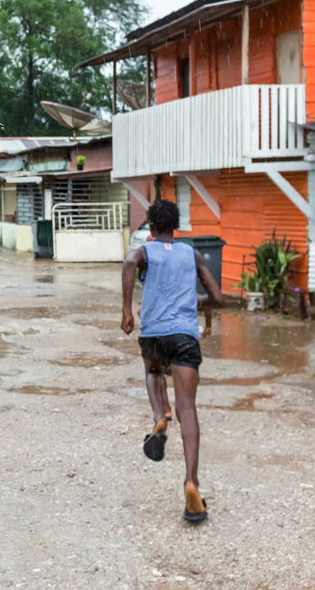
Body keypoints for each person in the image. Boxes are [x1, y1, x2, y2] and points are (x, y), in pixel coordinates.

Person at [121, 199, 222, 523]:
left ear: (151, 227)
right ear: (176, 227)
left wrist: (126, 310)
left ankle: (159, 415)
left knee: (152, 371)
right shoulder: (190, 254)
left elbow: (128, 263)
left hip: (153, 335)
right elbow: (217, 298)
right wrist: (198, 305)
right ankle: (191, 482)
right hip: (183, 336)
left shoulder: (146, 251)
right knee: (188, 407)